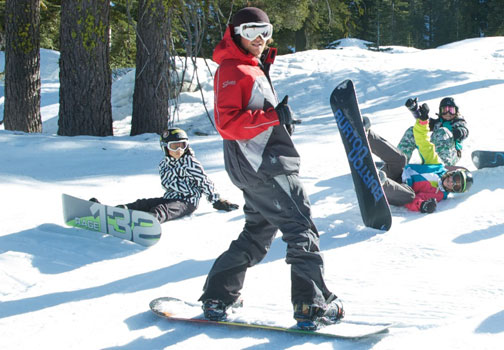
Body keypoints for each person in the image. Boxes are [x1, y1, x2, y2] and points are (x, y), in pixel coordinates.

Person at [198, 7, 342, 330]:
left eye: (266, 31)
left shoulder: (248, 66)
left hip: (257, 165)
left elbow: (251, 113)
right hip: (266, 167)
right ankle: (311, 303)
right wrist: (273, 117)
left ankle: (219, 295)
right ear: (235, 33)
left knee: (256, 236)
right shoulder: (234, 69)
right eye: (251, 32)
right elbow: (227, 124)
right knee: (300, 228)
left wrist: (277, 115)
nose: (260, 39)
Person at [90, 128, 239, 222]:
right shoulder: (164, 164)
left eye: (182, 145)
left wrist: (217, 200)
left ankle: (148, 221)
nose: (179, 150)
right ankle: (116, 212)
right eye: (174, 146)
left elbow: (204, 181)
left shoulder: (190, 163)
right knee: (143, 203)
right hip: (170, 197)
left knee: (162, 210)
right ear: (165, 148)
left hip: (187, 202)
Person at [365, 99, 473, 214]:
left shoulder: (439, 194)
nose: (452, 183)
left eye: (456, 187)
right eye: (455, 179)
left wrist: (422, 205)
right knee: (401, 159)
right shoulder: (436, 165)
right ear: (452, 173)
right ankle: (367, 136)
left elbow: (464, 130)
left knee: (409, 195)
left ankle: (380, 183)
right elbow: (423, 141)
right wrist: (422, 119)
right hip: (400, 173)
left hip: (396, 189)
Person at [396, 96, 468, 166]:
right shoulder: (437, 123)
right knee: (413, 131)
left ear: (456, 112)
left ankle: (444, 165)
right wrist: (416, 111)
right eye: (444, 110)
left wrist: (459, 132)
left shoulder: (458, 122)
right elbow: (424, 123)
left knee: (442, 132)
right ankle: (398, 163)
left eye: (451, 110)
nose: (448, 113)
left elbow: (464, 131)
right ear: (440, 111)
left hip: (452, 154)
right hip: (433, 154)